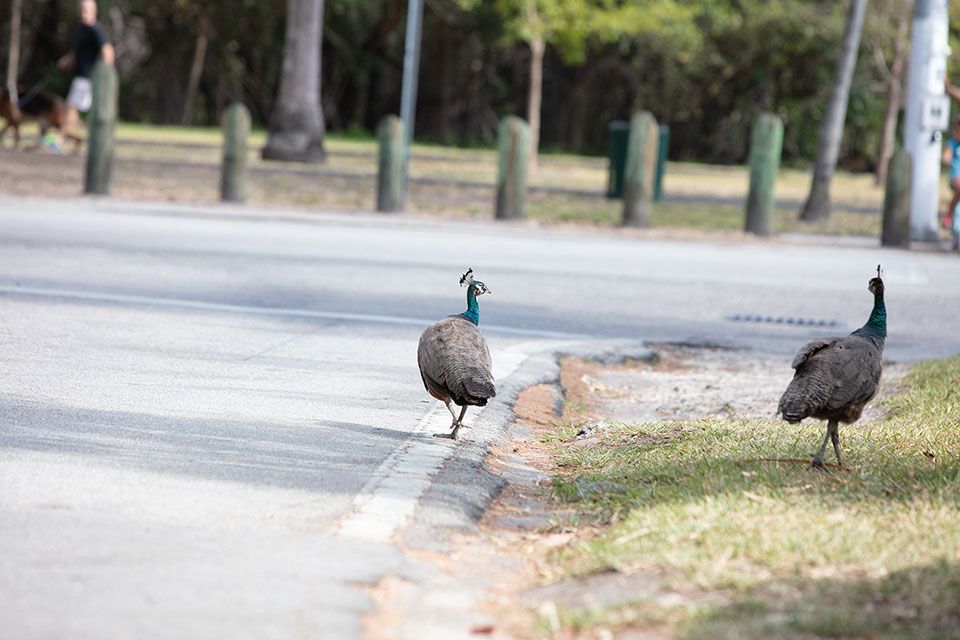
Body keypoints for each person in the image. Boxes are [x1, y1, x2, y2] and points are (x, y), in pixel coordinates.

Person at [56, 0, 114, 151]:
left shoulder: (96, 30)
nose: (84, 13)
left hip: (89, 78)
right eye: (82, 10)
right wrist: (67, 61)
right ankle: (79, 140)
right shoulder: (79, 30)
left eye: (87, 10)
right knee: (77, 111)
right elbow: (77, 52)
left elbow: (108, 51)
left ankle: (60, 140)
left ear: (94, 11)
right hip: (80, 76)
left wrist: (105, 75)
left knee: (71, 107)